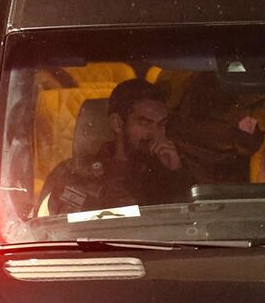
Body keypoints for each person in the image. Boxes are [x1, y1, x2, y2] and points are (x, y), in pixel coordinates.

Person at [38, 79, 194, 215]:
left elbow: (194, 222)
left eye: (161, 125)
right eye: (144, 123)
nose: (156, 134)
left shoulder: (171, 171)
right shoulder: (74, 172)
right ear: (117, 123)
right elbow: (46, 227)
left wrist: (176, 174)